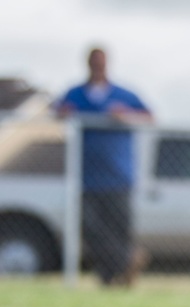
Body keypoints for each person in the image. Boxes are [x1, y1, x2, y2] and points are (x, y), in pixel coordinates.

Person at [55, 47, 153, 286]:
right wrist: (63, 115)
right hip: (86, 175)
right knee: (90, 228)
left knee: (118, 228)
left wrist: (125, 116)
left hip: (119, 175)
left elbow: (149, 117)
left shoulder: (124, 95)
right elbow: (55, 112)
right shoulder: (75, 94)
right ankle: (125, 262)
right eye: (93, 63)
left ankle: (113, 278)